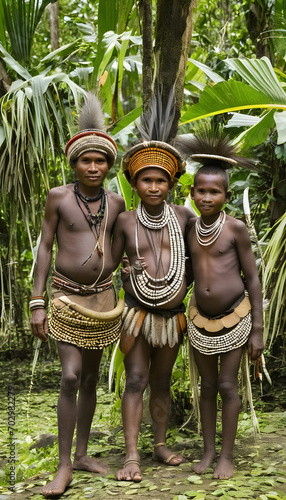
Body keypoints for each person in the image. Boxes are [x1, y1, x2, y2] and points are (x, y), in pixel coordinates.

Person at [30, 93, 125, 497]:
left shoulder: (117, 202)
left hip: (102, 301)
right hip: (65, 299)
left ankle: (83, 454)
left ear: (108, 165)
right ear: (75, 163)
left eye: (100, 160)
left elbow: (123, 249)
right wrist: (37, 302)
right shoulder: (58, 198)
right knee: (69, 376)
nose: (92, 166)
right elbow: (46, 247)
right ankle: (64, 465)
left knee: (89, 379)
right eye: (86, 160)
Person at [111, 98, 196, 482]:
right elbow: (111, 264)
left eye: (161, 180)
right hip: (136, 314)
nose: (154, 186)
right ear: (134, 183)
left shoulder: (185, 217)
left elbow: (199, 261)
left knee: (161, 381)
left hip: (172, 318)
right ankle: (132, 456)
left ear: (172, 183)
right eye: (146, 180)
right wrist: (127, 273)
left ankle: (160, 446)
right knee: (136, 380)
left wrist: (185, 285)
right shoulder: (126, 221)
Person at [181, 131, 264, 480]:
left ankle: (227, 455)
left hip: (236, 318)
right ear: (192, 192)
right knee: (208, 386)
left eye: (214, 192)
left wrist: (258, 329)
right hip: (200, 320)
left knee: (228, 386)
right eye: (201, 190)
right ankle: (209, 450)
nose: (206, 197)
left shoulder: (236, 230)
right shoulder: (189, 228)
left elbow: (253, 280)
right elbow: (184, 275)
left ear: (227, 196)